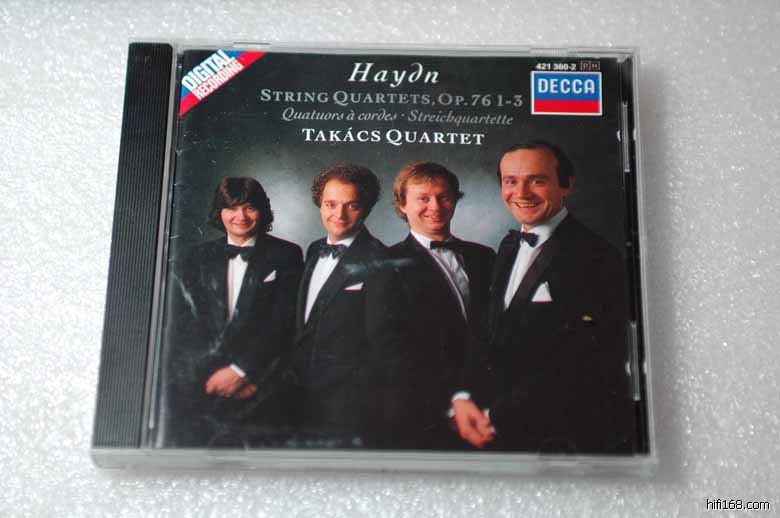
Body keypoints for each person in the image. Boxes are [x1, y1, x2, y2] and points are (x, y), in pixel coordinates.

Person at [452, 141, 637, 454]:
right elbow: (489, 331)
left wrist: (494, 416)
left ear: (567, 185)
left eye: (536, 180)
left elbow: (584, 362)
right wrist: (463, 397)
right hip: (497, 428)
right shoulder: (508, 247)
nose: (521, 193)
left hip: (562, 434)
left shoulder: (596, 256)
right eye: (511, 181)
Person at [163, 176, 303, 447]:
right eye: (231, 208)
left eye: (249, 207)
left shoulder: (286, 254)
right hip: (204, 385)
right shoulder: (194, 257)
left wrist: (243, 372)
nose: (241, 216)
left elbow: (284, 322)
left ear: (262, 211)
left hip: (260, 385)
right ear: (220, 212)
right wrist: (208, 378)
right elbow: (183, 326)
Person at [283, 163, 404, 448]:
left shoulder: (381, 260)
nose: (339, 214)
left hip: (348, 410)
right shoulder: (313, 250)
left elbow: (382, 348)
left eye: (352, 206)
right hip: (298, 400)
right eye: (331, 204)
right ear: (319, 204)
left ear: (367, 209)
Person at [388, 161, 494, 449]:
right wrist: (450, 406)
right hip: (427, 410)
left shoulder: (485, 256)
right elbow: (393, 351)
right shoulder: (385, 264)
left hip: (489, 398)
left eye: (443, 196)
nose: (435, 206)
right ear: (402, 206)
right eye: (423, 198)